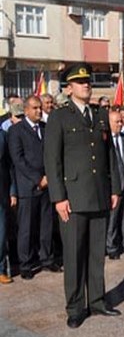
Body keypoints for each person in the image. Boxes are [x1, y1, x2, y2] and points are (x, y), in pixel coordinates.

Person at [43, 63, 122, 329]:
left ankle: (97, 300)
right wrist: (58, 198)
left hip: (99, 193)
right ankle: (76, 307)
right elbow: (52, 160)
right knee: (75, 255)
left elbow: (110, 154)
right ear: (69, 88)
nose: (86, 85)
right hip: (73, 198)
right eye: (80, 82)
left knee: (96, 252)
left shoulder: (100, 114)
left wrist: (114, 188)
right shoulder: (60, 116)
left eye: (88, 81)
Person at [8, 96, 58, 278]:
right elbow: (18, 159)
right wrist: (38, 179)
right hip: (28, 186)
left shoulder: (45, 129)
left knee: (46, 225)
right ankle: (26, 264)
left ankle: (47, 259)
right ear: (26, 110)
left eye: (40, 108)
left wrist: (49, 177)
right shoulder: (16, 130)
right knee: (26, 228)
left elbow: (51, 154)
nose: (39, 111)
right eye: (35, 108)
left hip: (47, 185)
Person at [106, 109, 124, 259]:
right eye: (116, 122)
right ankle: (111, 247)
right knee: (113, 218)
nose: (120, 124)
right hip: (113, 188)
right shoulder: (105, 142)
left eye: (120, 121)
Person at [0, 127, 17, 284]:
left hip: (2, 193)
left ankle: (1, 269)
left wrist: (13, 191)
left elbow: (10, 166)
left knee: (2, 232)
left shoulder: (3, 136)